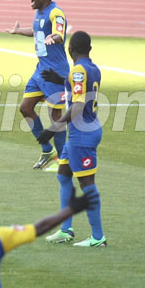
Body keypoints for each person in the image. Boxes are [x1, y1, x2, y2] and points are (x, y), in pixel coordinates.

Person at [38, 31, 106, 247]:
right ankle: (66, 229)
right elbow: (81, 90)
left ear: (70, 50)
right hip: (83, 132)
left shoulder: (77, 71)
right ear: (90, 49)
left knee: (87, 183)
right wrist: (59, 79)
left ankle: (98, 237)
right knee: (63, 175)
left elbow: (77, 106)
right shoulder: (93, 68)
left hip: (82, 134)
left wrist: (52, 128)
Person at [4, 0, 68, 170]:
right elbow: (37, 31)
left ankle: (63, 159)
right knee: (25, 108)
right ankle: (47, 151)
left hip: (55, 71)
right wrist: (18, 31)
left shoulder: (56, 12)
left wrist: (53, 38)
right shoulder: (39, 12)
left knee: (55, 115)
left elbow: (59, 32)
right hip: (40, 70)